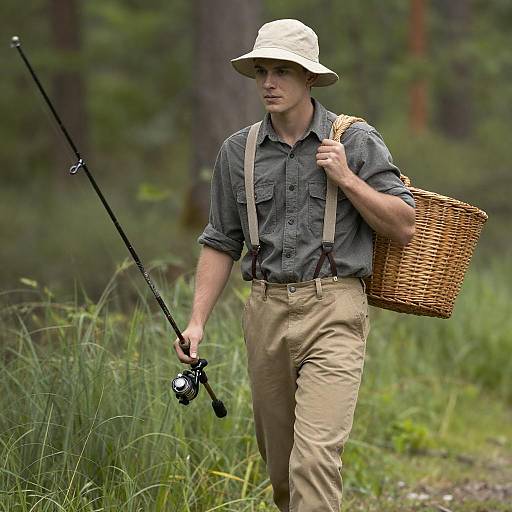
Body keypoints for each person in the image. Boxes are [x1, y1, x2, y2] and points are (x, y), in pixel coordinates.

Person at [174, 18, 415, 512]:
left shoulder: (356, 139)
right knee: (283, 472)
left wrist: (346, 178)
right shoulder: (236, 152)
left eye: (283, 70)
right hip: (264, 314)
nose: (269, 82)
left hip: (335, 309)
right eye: (262, 70)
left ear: (309, 78)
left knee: (315, 462)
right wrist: (196, 322)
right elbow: (221, 242)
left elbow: (404, 225)